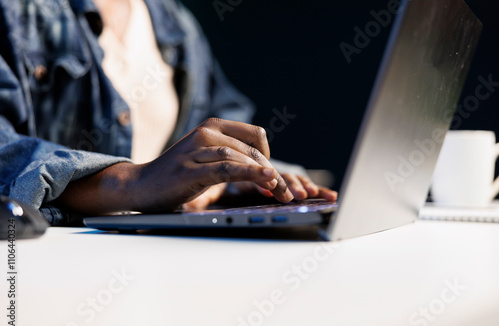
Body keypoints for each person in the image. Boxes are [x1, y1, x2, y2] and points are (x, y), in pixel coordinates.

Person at [0, 0, 336, 226]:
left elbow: (222, 117)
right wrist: (132, 182)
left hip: (163, 264)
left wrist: (232, 176)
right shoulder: (15, 13)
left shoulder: (173, 21)